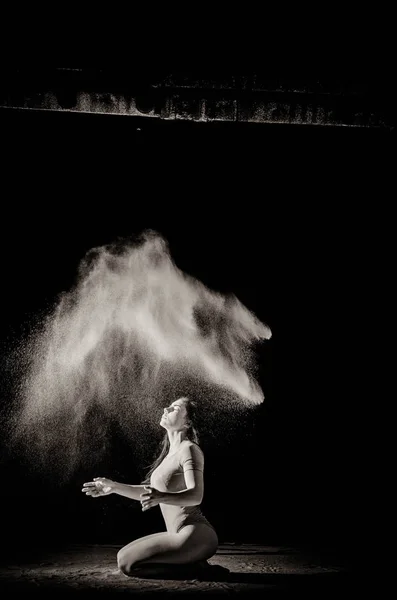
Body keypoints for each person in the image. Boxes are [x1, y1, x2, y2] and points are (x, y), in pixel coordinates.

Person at [82, 397, 219, 577]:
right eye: (168, 406)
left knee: (127, 564)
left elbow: (196, 495)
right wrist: (114, 487)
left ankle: (199, 569)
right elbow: (150, 493)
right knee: (123, 556)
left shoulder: (189, 449)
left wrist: (161, 497)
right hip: (176, 534)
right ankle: (195, 566)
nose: (166, 409)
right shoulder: (170, 455)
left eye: (175, 408)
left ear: (188, 422)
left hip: (196, 534)